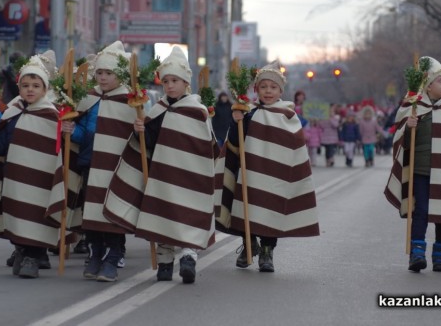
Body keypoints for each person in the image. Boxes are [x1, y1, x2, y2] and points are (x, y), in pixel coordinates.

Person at [103, 46, 219, 284]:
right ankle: (165, 261)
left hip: (190, 178)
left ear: (186, 83)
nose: (169, 86)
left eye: (174, 80)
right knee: (163, 215)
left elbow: (210, 147)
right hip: (162, 175)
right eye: (165, 81)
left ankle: (188, 256)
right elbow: (148, 144)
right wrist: (140, 133)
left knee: (187, 215)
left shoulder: (197, 111)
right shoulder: (158, 110)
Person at [0, 56, 65, 278]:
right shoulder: (13, 113)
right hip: (14, 179)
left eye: (36, 86)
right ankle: (21, 249)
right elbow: (2, 147)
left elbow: (59, 150)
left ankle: (33, 255)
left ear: (44, 89)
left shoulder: (51, 116)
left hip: (41, 181)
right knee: (16, 214)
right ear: (18, 87)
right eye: (26, 86)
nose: (30, 90)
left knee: (35, 215)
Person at [218, 61, 320, 272]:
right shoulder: (248, 112)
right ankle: (248, 245)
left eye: (273, 87)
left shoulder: (288, 116)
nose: (268, 91)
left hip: (276, 176)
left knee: (271, 211)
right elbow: (235, 142)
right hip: (250, 173)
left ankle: (267, 251)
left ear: (280, 90)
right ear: (256, 89)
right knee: (247, 209)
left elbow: (295, 147)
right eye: (263, 87)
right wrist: (236, 119)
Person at [384, 57, 441, 273]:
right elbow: (400, 143)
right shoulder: (413, 108)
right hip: (421, 170)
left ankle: (440, 257)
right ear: (428, 85)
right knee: (421, 211)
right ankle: (417, 254)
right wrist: (408, 127)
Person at [62, 41, 136, 282]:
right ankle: (95, 255)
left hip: (117, 167)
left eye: (109, 73)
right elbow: (83, 133)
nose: (103, 78)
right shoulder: (89, 99)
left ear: (120, 75)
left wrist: (142, 129)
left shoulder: (130, 101)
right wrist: (72, 131)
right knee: (91, 212)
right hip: (90, 163)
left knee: (111, 213)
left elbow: (136, 138)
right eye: (100, 73)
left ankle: (112, 257)